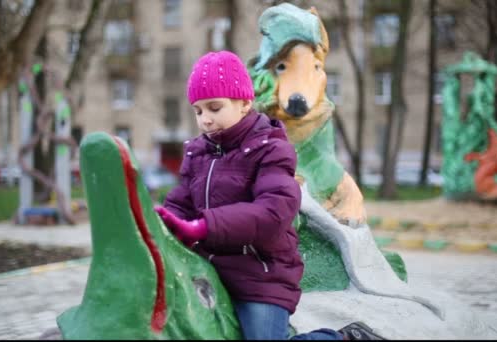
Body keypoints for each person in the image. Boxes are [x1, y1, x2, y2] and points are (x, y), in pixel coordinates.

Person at [154, 50, 383, 341]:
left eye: (214, 108)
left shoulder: (270, 148)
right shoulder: (197, 152)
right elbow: (181, 203)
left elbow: (274, 212)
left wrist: (204, 226)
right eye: (198, 111)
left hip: (260, 275)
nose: (205, 120)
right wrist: (163, 224)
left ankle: (343, 338)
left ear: (245, 104)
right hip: (209, 268)